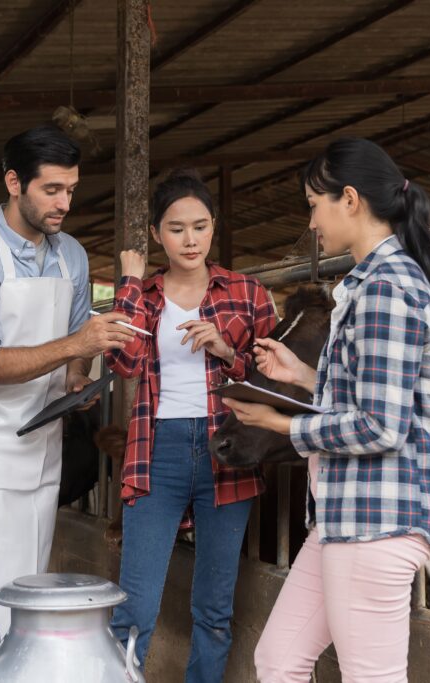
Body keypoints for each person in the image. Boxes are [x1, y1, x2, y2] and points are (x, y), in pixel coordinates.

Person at [223, 138, 430, 683]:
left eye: (314, 204)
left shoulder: (385, 289)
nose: (312, 222)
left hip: (378, 519)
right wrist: (303, 377)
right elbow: (376, 396)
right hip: (347, 516)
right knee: (278, 660)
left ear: (349, 199)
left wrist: (283, 423)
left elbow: (380, 425)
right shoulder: (371, 285)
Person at [0, 125, 133, 682]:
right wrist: (79, 344)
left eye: (71, 189)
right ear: (14, 182)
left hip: (42, 446)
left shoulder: (72, 257)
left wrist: (77, 376)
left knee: (27, 591)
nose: (65, 203)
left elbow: (72, 357)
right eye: (51, 190)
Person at [107, 169, 277, 682]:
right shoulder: (149, 295)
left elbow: (277, 379)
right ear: (158, 233)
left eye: (200, 226)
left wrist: (227, 352)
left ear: (213, 228)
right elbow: (125, 363)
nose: (190, 239)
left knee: (214, 609)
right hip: (157, 450)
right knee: (134, 607)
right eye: (177, 228)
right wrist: (130, 284)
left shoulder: (248, 293)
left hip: (226, 450)